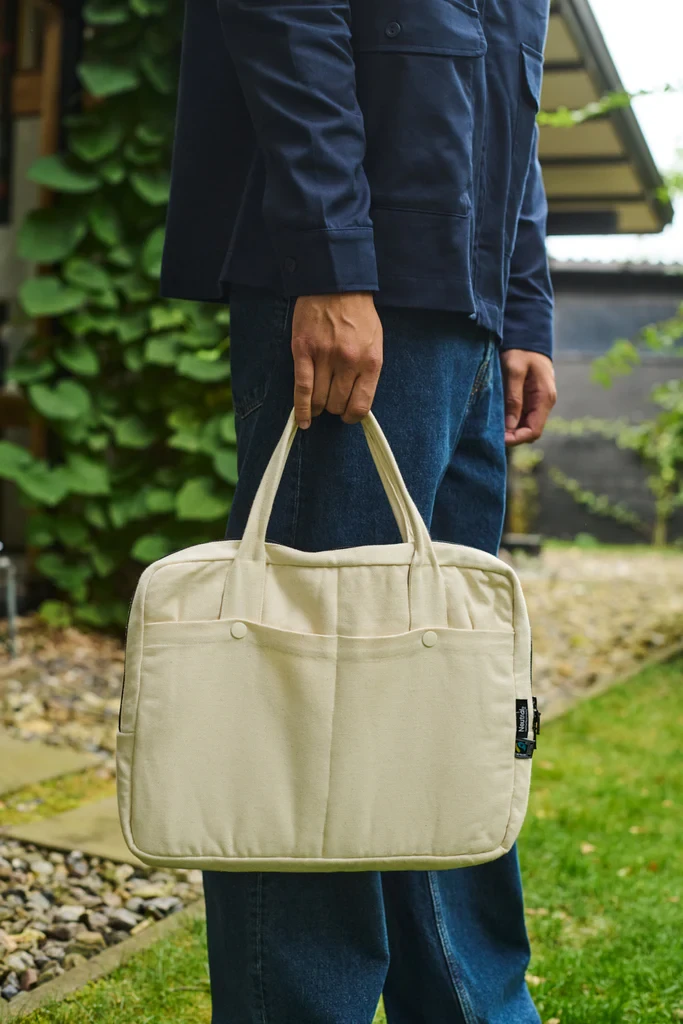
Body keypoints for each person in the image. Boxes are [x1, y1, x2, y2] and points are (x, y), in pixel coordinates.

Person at [159, 0, 557, 1020]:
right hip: (362, 288)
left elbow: (510, 92)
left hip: (468, 310)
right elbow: (284, 19)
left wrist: (521, 306)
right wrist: (331, 262)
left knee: (444, 693)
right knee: (306, 690)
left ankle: (473, 1007)